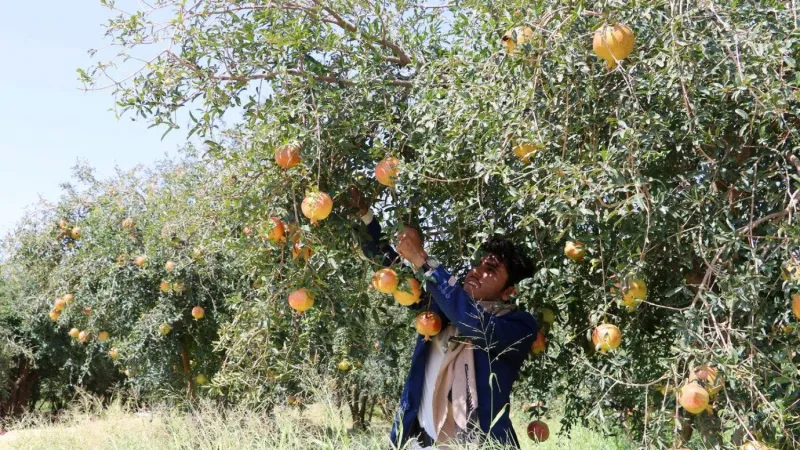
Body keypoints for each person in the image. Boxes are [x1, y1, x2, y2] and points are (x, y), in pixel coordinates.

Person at [351, 188, 538, 449]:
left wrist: (422, 259)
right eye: (478, 264)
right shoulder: (439, 308)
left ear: (509, 292)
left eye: (490, 270)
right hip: (418, 442)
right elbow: (393, 274)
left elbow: (476, 325)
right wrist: (366, 218)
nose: (476, 272)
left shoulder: (519, 326)